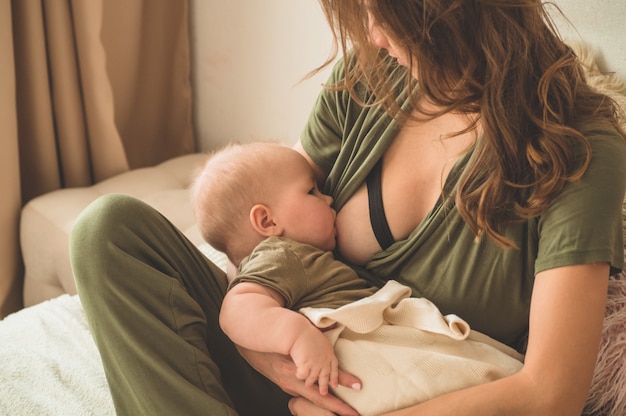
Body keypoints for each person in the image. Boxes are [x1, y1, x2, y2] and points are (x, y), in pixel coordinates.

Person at [69, 1, 626, 415]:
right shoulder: (368, 77)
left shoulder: (577, 150)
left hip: (405, 401)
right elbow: (266, 234)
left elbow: (550, 392)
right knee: (107, 231)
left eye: (385, 14)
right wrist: (279, 357)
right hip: (296, 364)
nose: (374, 33)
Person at [190, 141, 523, 415]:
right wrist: (298, 337)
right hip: (351, 356)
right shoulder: (282, 254)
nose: (329, 198)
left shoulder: (295, 257)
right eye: (312, 191)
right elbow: (237, 309)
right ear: (266, 221)